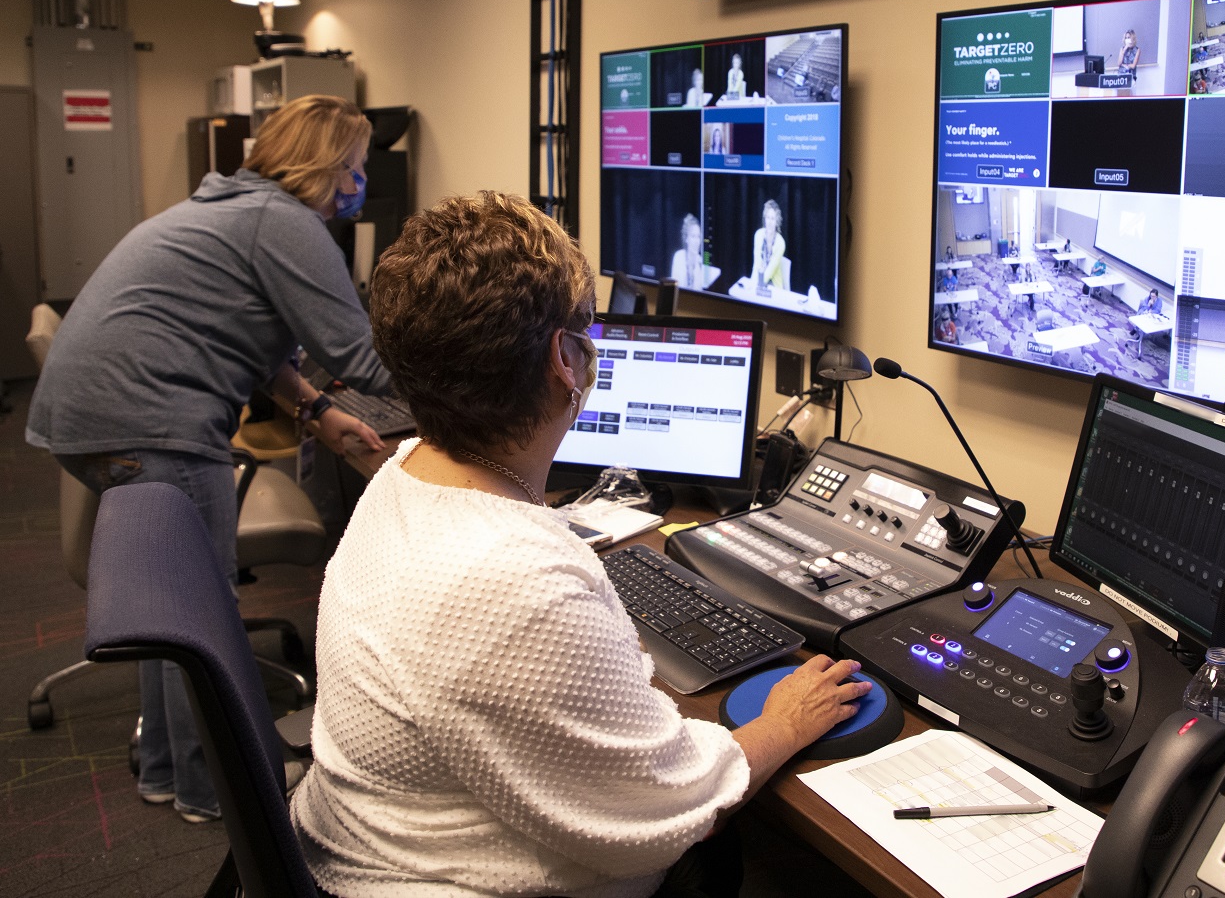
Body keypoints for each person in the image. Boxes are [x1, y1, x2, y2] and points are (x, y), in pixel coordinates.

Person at [292, 192, 870, 896]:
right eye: (589, 323)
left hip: (364, 841)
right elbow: (675, 804)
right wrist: (782, 723)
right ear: (567, 360)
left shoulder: (403, 473)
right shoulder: (512, 580)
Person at [27, 95, 392, 824]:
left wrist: (319, 417)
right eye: (352, 167)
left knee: (175, 610)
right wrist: (485, 391)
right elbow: (359, 355)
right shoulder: (284, 224)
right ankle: (210, 789)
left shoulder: (235, 206)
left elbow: (249, 338)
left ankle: (169, 769)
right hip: (151, 421)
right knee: (200, 614)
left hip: (95, 417)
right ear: (321, 165)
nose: (359, 184)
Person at [670, 212, 722, 289]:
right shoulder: (678, 257)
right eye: (693, 236)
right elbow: (676, 287)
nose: (696, 241)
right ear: (686, 239)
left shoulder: (701, 261)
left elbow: (702, 288)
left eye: (698, 236)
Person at [752, 198, 788, 290]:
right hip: (758, 281)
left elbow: (770, 271)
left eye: (773, 218)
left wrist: (758, 286)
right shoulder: (758, 235)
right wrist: (752, 283)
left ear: (777, 221)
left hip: (773, 285)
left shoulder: (781, 243)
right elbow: (756, 265)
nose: (770, 222)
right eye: (768, 217)